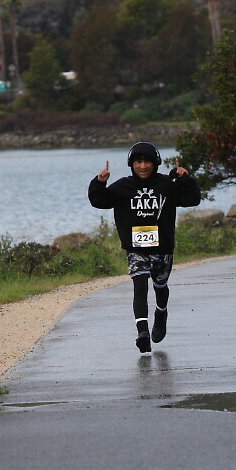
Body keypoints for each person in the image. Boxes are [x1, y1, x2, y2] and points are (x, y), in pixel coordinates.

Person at [88, 142, 201, 353]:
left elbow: (193, 199)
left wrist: (185, 179)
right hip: (136, 249)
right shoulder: (123, 187)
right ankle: (142, 332)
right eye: (138, 162)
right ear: (131, 164)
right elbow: (99, 200)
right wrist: (99, 182)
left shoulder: (167, 185)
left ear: (155, 163)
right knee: (140, 287)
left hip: (163, 249)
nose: (143, 166)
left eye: (147, 162)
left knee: (160, 286)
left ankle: (161, 313)